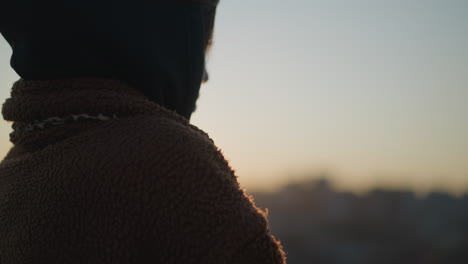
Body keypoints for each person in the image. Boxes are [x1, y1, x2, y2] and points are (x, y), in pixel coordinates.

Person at [0, 0, 287, 263]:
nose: (204, 77)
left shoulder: (14, 169)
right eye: (202, 47)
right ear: (163, 38)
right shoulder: (172, 162)